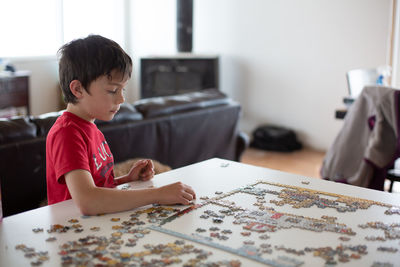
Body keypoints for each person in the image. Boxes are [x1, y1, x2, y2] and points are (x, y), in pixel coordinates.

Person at [46, 35, 196, 215]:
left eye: (122, 89)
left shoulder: (90, 127)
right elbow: (88, 201)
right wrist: (157, 194)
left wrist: (126, 179)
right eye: (112, 90)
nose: (122, 98)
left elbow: (99, 187)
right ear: (77, 89)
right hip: (73, 231)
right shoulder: (66, 134)